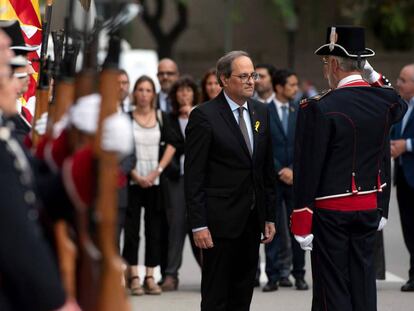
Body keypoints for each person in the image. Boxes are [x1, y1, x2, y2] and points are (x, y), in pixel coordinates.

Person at [291, 26, 407, 311]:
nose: (324, 70)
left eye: (325, 63)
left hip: (330, 211)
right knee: (363, 282)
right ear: (361, 63)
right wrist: (372, 75)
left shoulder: (317, 107)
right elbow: (399, 102)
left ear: (333, 64)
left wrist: (302, 217)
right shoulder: (383, 101)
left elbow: (308, 166)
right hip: (369, 206)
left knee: (332, 288)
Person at [185, 50, 277, 311]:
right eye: (244, 76)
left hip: (251, 220)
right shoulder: (204, 116)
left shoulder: (261, 112)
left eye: (253, 75)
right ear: (224, 79)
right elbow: (194, 176)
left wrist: (269, 216)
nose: (251, 81)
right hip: (218, 224)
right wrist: (198, 224)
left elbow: (265, 169)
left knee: (242, 293)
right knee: (216, 296)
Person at [122, 75, 176, 296]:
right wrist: (133, 173)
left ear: (153, 94)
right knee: (132, 232)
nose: (144, 94)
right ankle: (133, 276)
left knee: (154, 230)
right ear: (134, 93)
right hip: (133, 182)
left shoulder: (162, 117)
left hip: (155, 182)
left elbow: (173, 143)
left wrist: (158, 170)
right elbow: (121, 149)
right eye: (140, 90)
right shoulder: (126, 118)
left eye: (148, 90)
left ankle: (151, 276)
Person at [264, 69, 308, 292]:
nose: (295, 88)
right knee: (271, 227)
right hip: (273, 179)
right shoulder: (263, 111)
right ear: (279, 87)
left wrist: (292, 169)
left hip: (295, 180)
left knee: (297, 228)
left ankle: (298, 274)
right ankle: (272, 276)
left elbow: (304, 144)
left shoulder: (299, 110)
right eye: (291, 85)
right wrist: (280, 168)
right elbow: (262, 146)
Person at [160, 75, 200, 291]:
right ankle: (171, 274)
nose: (184, 94)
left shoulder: (202, 115)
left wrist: (193, 117)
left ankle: (209, 272)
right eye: (180, 91)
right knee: (176, 224)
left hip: (199, 180)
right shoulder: (169, 118)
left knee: (200, 224)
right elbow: (174, 145)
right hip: (177, 178)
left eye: (188, 90)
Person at [392, 63, 414, 292]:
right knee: (408, 227)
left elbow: (405, 141)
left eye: (403, 80)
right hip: (404, 178)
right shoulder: (402, 106)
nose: (398, 83)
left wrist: (406, 145)